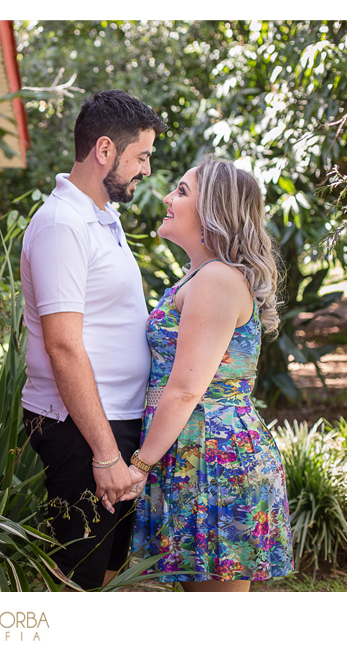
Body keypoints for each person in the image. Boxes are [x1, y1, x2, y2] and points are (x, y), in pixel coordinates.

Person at [20, 90, 166, 591]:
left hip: (113, 422)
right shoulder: (62, 224)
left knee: (104, 573)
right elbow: (62, 345)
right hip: (80, 429)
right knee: (77, 581)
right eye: (140, 156)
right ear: (105, 150)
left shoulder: (102, 217)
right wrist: (105, 454)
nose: (146, 170)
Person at [127, 156, 294, 591]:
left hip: (216, 459)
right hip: (194, 451)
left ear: (214, 211)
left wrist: (140, 464)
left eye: (182, 191)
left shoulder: (216, 278)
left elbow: (185, 389)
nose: (166, 196)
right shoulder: (199, 276)